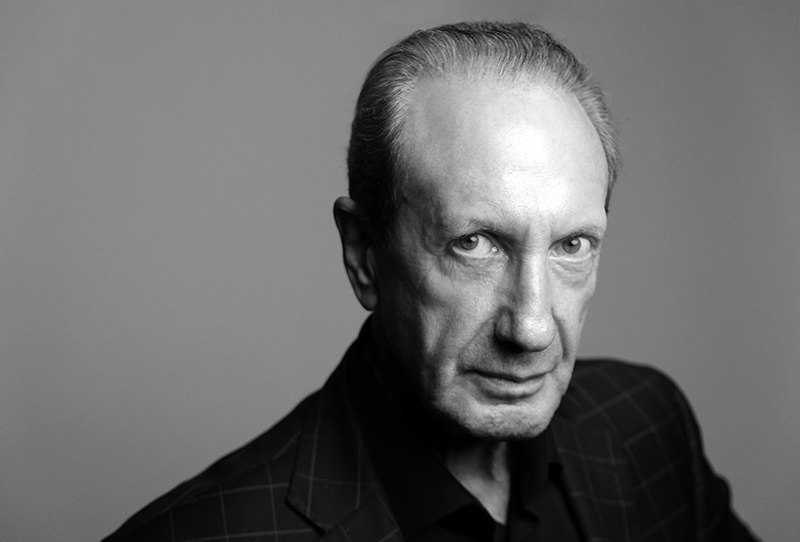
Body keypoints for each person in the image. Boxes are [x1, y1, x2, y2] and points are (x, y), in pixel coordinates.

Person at [104, 22, 759, 542]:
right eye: (474, 244)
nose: (531, 328)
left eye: (572, 245)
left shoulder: (648, 428)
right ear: (364, 254)